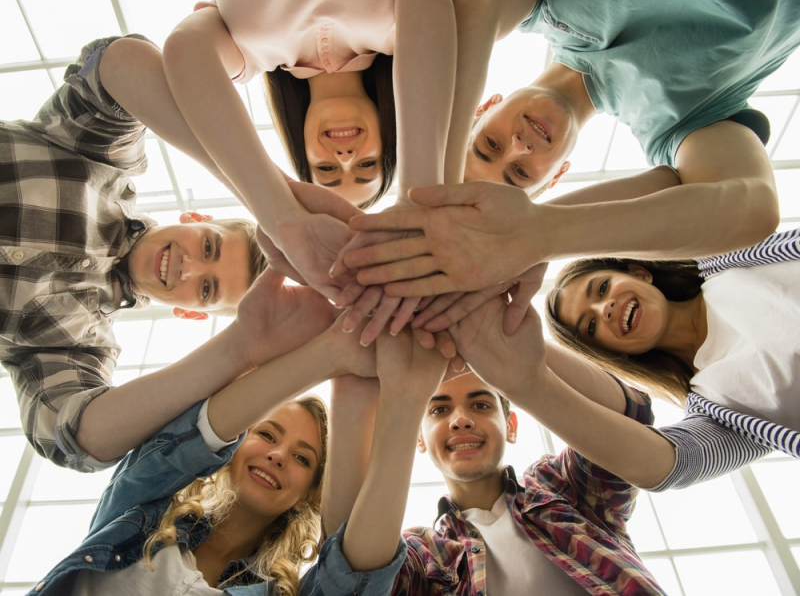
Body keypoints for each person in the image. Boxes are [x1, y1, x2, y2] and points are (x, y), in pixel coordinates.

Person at [0, 36, 360, 476]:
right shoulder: (103, 160)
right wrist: (278, 203)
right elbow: (116, 62)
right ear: (195, 216)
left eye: (206, 289)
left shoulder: (80, 342)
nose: (189, 266)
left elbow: (76, 439)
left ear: (190, 315)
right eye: (208, 245)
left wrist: (240, 348)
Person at [337, 0, 800, 333]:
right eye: (521, 174)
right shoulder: (677, 125)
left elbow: (465, 15)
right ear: (556, 176)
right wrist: (539, 237)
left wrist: (424, 193)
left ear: (484, 105)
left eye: (488, 145)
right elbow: (751, 208)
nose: (517, 146)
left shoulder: (537, 9)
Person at [27, 312, 413, 595]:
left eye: (302, 458)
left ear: (308, 494)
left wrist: (358, 388)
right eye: (266, 434)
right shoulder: (136, 517)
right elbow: (186, 439)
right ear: (236, 445)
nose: (278, 455)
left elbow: (350, 579)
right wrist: (330, 354)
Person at [159, 0, 457, 309]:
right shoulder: (405, 31)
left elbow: (183, 49)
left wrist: (283, 219)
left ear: (302, 151)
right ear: (392, 136)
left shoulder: (247, 54)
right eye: (366, 164)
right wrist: (418, 204)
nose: (344, 156)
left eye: (326, 169)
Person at [326, 325, 665, 591]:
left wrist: (513, 344)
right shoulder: (426, 555)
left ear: (511, 426)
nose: (460, 419)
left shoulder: (565, 488)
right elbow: (348, 571)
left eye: (481, 404)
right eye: (439, 409)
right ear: (420, 439)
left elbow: (630, 420)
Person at [543, 227, 800, 490]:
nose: (604, 309)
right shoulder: (716, 411)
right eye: (591, 326)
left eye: (602, 288)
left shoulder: (730, 257)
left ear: (639, 273)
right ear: (611, 352)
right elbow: (666, 466)